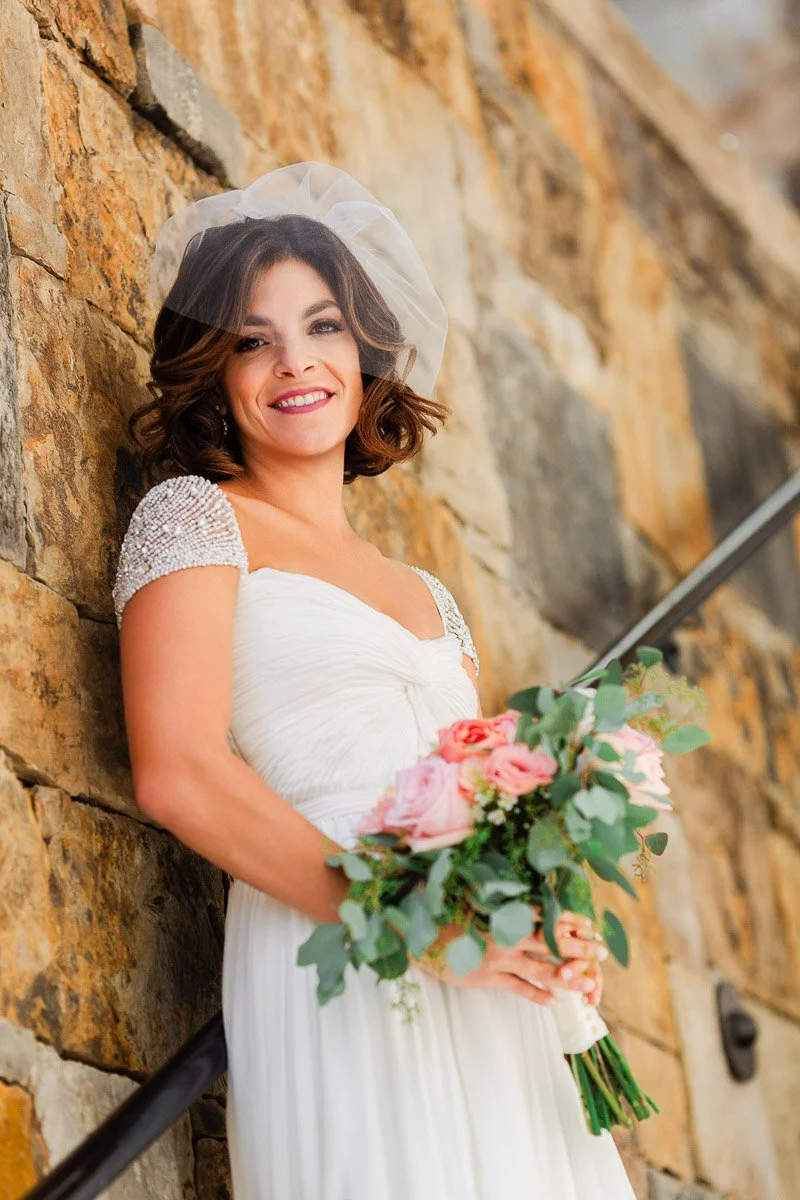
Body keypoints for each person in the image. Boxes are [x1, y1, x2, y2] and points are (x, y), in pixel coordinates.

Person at [114, 162, 635, 1199]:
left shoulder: (430, 595)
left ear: (366, 352)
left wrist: (540, 915)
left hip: (481, 965)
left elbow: (479, 800)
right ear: (213, 372)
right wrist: (413, 926)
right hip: (343, 940)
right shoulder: (194, 520)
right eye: (252, 341)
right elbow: (177, 772)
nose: (293, 363)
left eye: (322, 328)